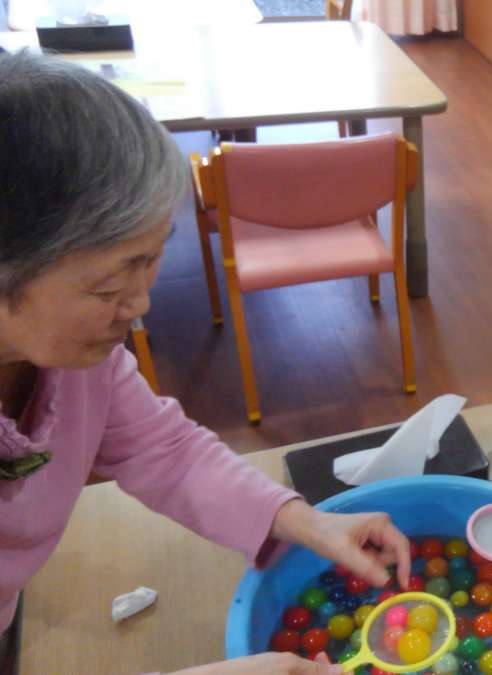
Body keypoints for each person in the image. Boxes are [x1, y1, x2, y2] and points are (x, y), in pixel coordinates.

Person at [0, 52, 411, 674]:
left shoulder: (81, 363)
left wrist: (305, 521)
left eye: (151, 259)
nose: (140, 305)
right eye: (108, 286)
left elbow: (163, 448)